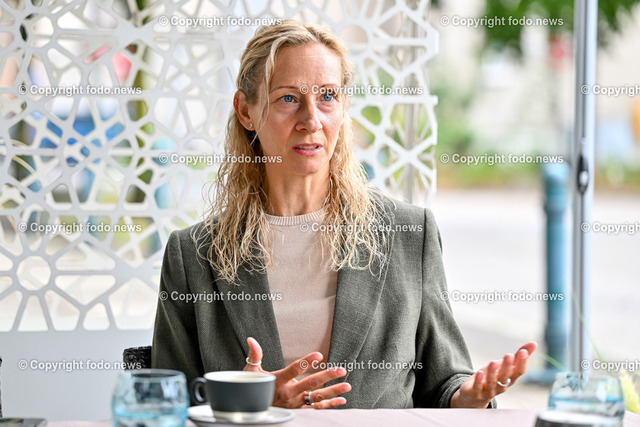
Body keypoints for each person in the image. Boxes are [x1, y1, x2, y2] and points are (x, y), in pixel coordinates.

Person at [151, 19, 537, 409]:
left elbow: (443, 382)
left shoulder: (409, 234)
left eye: (327, 96)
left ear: (343, 106)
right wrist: (254, 403)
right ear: (245, 111)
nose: (311, 120)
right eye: (288, 98)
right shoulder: (193, 255)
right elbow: (167, 405)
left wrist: (469, 397)